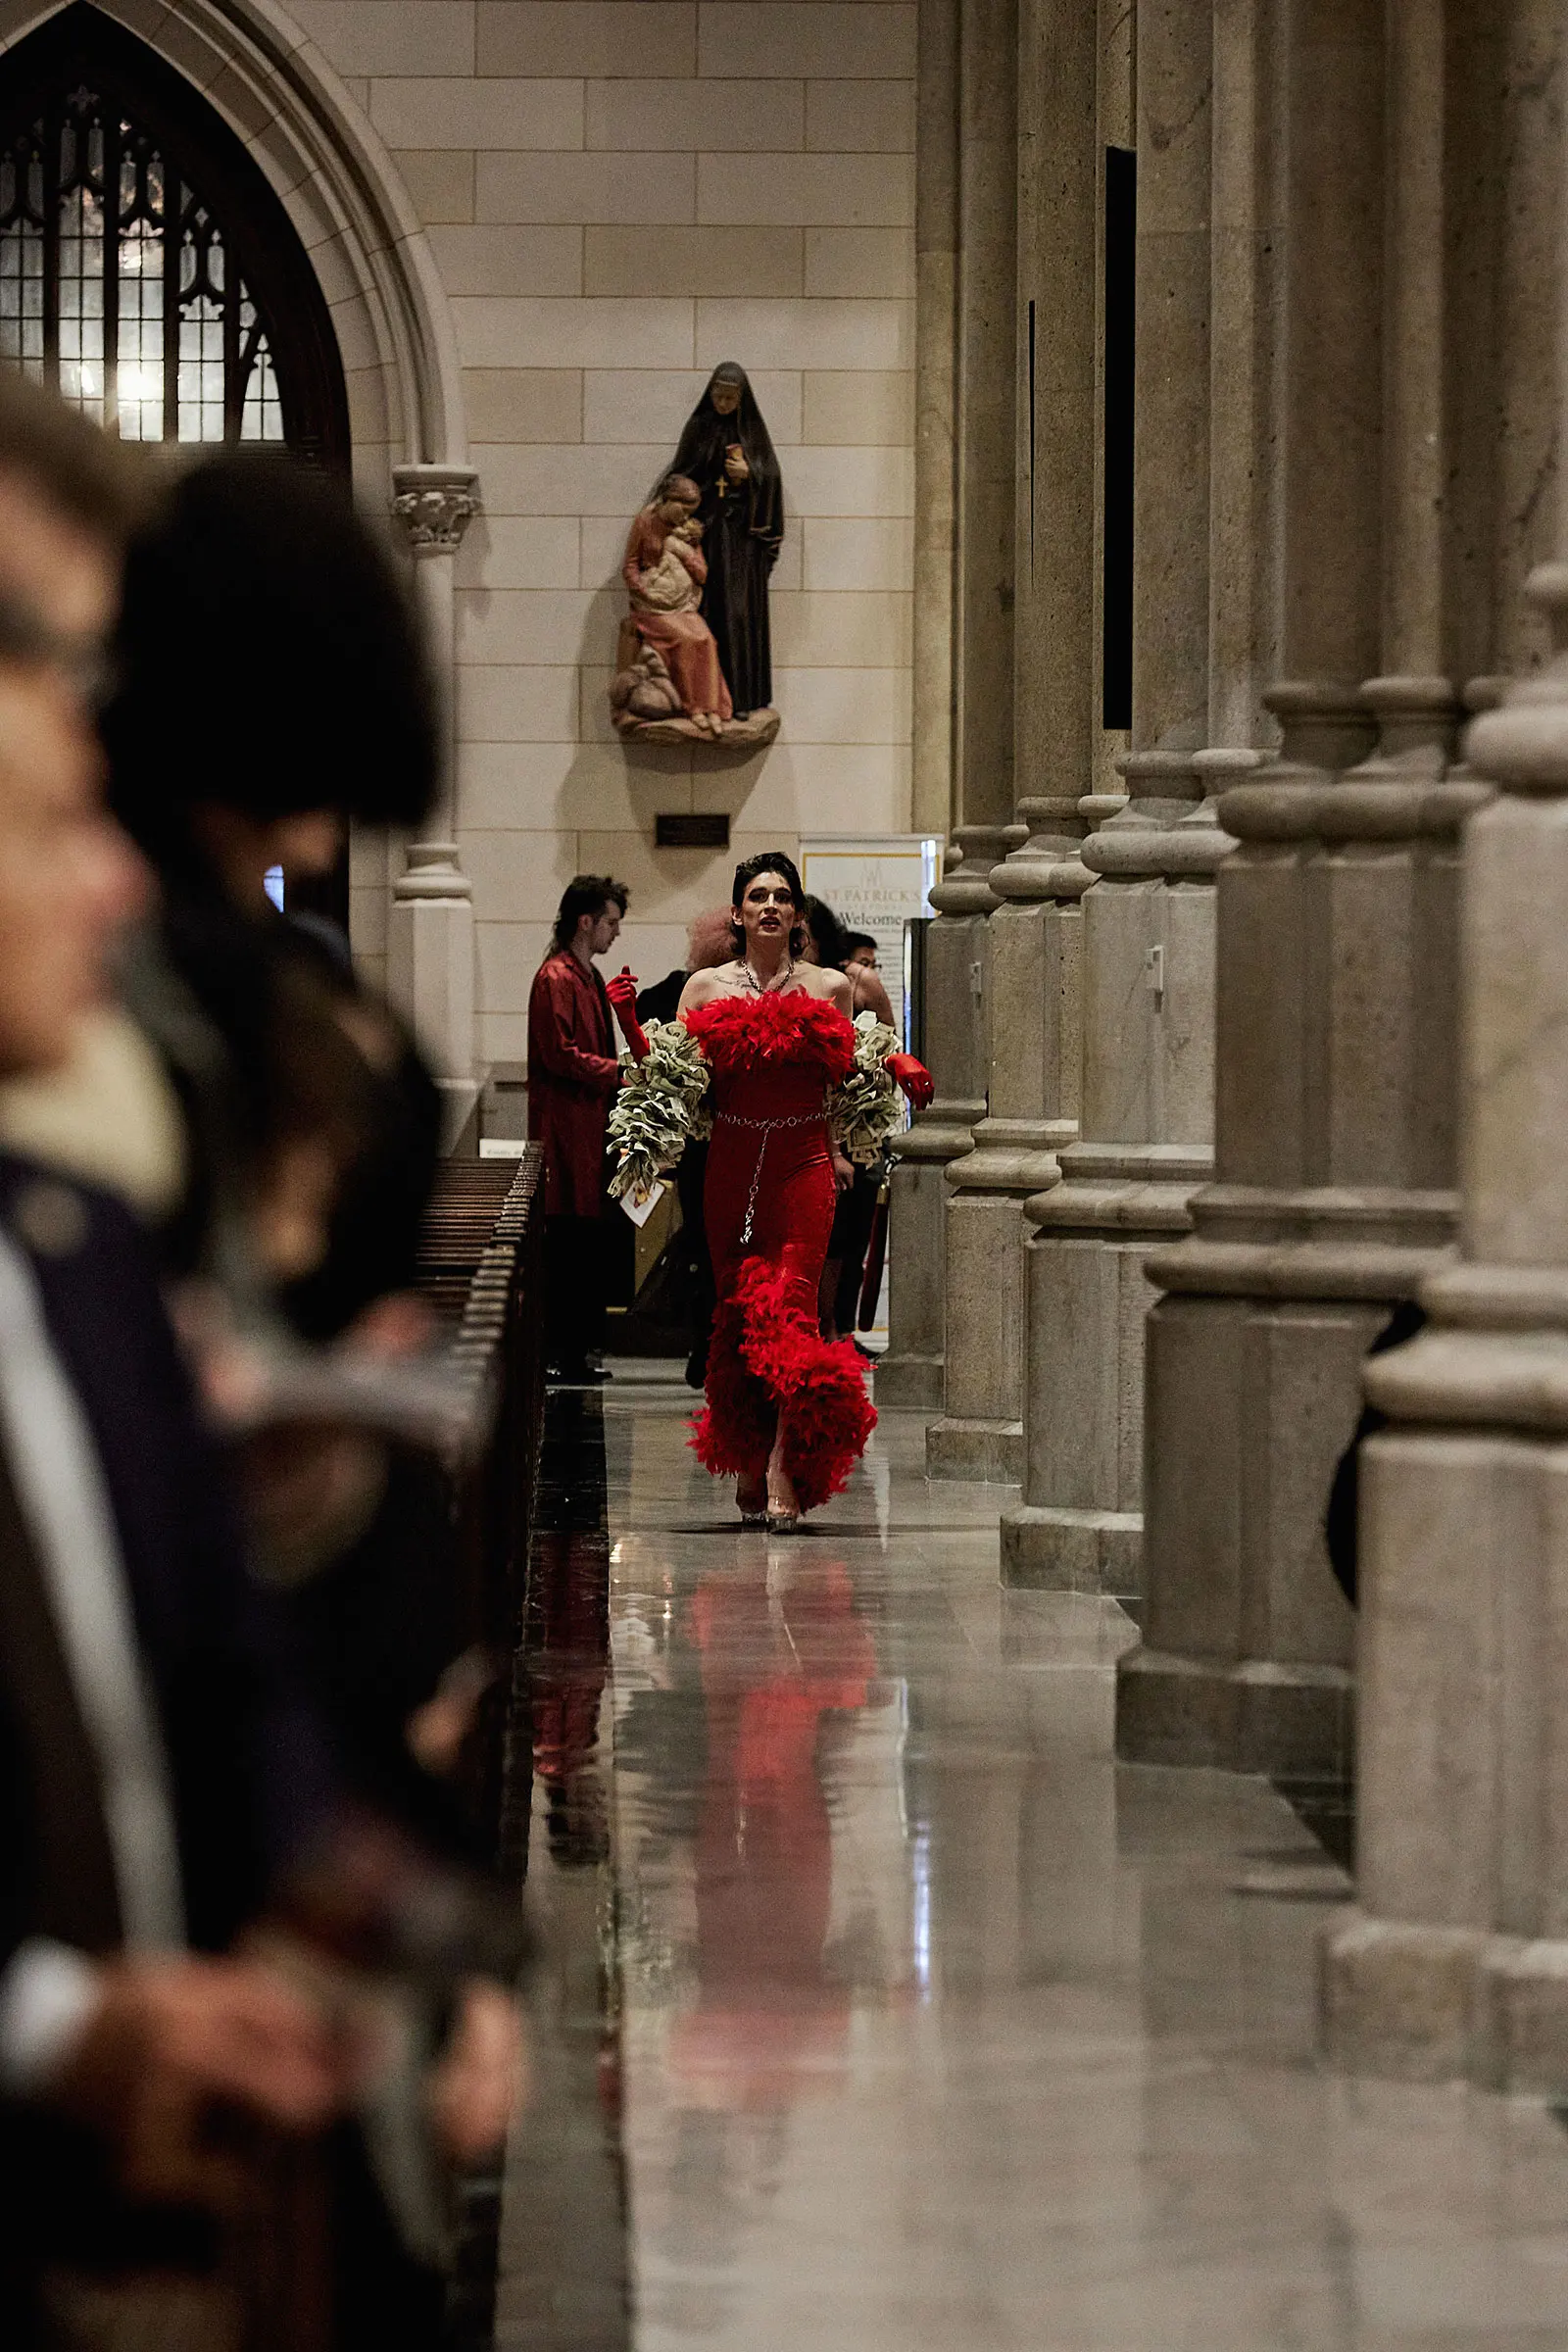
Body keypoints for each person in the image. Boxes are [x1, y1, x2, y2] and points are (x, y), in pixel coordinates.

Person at [609, 855, 933, 1531]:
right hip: (729, 1164)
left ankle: (785, 1455)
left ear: (796, 914)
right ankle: (748, 1452)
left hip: (803, 1163)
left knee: (792, 1306)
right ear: (737, 912)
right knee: (736, 1311)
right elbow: (668, 1086)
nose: (769, 906)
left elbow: (850, 1080)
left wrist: (893, 1063)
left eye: (782, 896)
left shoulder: (828, 989)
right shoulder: (702, 989)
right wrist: (632, 1031)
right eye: (757, 895)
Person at [528, 874, 631, 1383]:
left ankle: (579, 1350)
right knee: (567, 1243)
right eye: (611, 923)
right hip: (566, 1130)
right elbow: (560, 1054)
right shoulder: (557, 978)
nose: (615, 933)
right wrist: (618, 1072)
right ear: (585, 921)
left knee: (586, 1243)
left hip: (591, 1127)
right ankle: (563, 1352)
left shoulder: (587, 977)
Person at [665, 363, 783, 717]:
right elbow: (679, 476)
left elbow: (772, 480)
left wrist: (752, 476)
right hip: (708, 537)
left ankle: (742, 698)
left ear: (742, 399)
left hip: (743, 544)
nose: (723, 403)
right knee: (707, 615)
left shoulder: (751, 432)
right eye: (718, 396)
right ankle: (705, 700)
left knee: (739, 615)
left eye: (730, 398)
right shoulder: (699, 427)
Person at [802, 916, 899, 1345]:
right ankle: (823, 1326)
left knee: (852, 1236)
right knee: (827, 1241)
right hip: (814, 1125)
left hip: (856, 1123)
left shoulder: (853, 981)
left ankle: (839, 1326)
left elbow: (886, 1042)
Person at [621, 475, 731, 735]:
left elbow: (703, 574)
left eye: (690, 511)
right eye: (682, 509)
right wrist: (641, 588)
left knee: (704, 638)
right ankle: (693, 707)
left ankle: (712, 708)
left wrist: (687, 552)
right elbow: (630, 564)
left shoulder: (689, 531)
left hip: (681, 605)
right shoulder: (646, 522)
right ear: (668, 500)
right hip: (651, 607)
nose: (684, 517)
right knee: (684, 638)